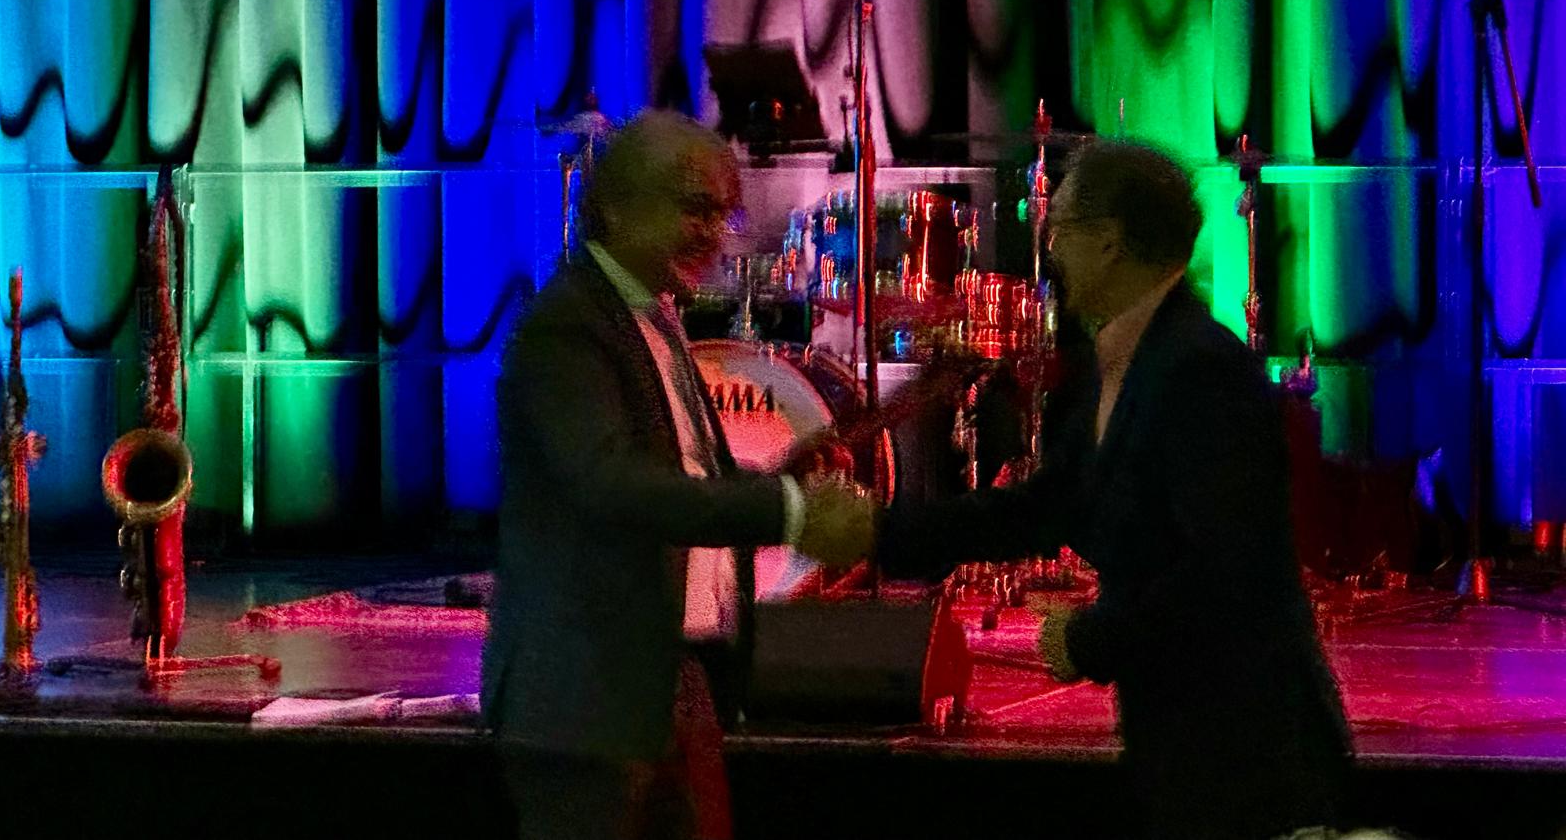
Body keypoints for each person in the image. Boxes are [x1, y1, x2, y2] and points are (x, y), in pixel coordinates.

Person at [877, 139, 1352, 840]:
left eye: (1061, 229)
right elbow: (1047, 506)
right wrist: (879, 534)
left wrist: (1090, 639)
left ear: (1108, 243)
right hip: (1189, 745)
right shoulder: (1130, 358)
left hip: (1252, 750)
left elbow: (1222, 570)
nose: (1050, 250)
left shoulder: (1201, 371)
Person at [482, 109, 872, 840]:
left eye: (721, 214)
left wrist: (779, 476)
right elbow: (610, 487)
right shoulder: (568, 327)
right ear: (617, 206)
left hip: (674, 684)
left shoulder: (653, 317)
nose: (712, 233)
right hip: (586, 699)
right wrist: (786, 510)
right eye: (694, 208)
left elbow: (671, 478)